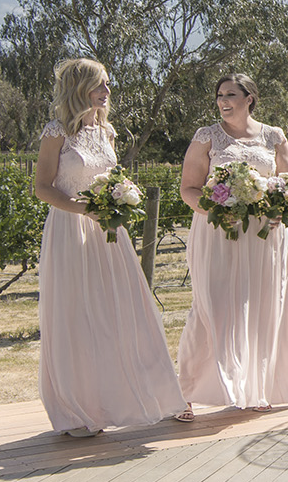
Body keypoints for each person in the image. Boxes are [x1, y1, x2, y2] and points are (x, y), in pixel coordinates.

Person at [32, 58, 185, 437]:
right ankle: (78, 410)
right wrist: (84, 209)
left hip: (108, 235)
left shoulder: (108, 131)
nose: (107, 91)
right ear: (79, 88)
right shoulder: (57, 132)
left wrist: (121, 197)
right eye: (101, 84)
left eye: (107, 84)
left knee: (120, 311)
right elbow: (43, 188)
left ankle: (127, 398)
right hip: (71, 230)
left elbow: (114, 176)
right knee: (76, 315)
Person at [176, 73, 288, 418]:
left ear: (249, 98)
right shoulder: (206, 137)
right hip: (219, 233)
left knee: (266, 307)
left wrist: (281, 207)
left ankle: (257, 388)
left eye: (231, 95)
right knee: (212, 307)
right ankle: (187, 392)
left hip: (265, 236)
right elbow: (189, 188)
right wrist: (218, 211)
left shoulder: (274, 136)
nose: (223, 101)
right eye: (220, 95)